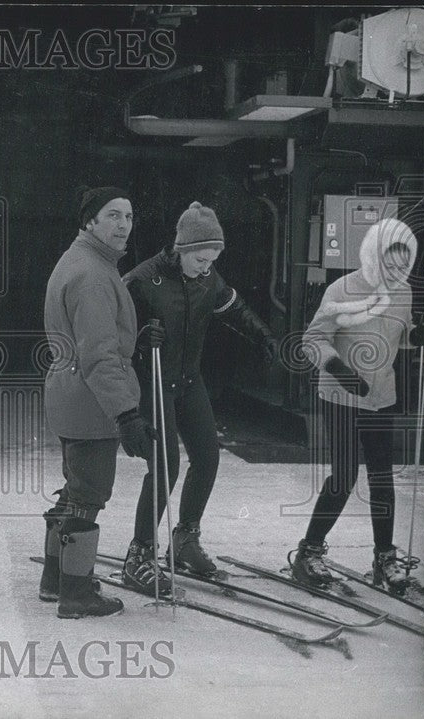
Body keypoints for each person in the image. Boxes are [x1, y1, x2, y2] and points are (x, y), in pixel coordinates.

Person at [120, 201, 279, 594]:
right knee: (166, 466)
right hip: (153, 380)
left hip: (189, 382)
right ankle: (138, 554)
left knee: (208, 457)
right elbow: (112, 331)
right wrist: (139, 342)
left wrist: (265, 336)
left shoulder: (209, 278)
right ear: (182, 248)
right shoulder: (141, 280)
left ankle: (186, 538)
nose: (205, 267)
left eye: (212, 260)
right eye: (200, 259)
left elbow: (234, 307)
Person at [291, 218, 423, 592]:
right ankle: (310, 552)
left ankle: (384, 558)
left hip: (382, 397)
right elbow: (313, 339)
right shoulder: (342, 289)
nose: (396, 272)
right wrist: (338, 367)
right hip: (341, 395)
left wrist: (417, 335)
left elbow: (401, 337)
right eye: (390, 264)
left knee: (382, 479)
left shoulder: (404, 293)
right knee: (344, 477)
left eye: (403, 266)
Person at [40, 186, 153, 620]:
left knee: (75, 490)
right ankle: (76, 593)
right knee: (88, 496)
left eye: (128, 215)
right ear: (90, 221)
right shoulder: (92, 274)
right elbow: (100, 355)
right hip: (91, 401)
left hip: (71, 394)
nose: (123, 224)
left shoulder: (83, 262)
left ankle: (55, 580)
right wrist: (126, 414)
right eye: (113, 215)